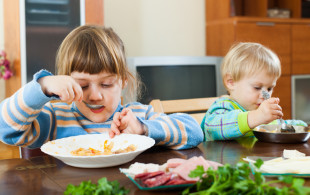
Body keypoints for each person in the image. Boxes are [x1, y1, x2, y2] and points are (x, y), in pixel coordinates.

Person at [0, 25, 203, 150]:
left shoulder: (137, 115)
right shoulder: (55, 118)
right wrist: (41, 86)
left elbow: (195, 132)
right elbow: (6, 129)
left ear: (123, 81)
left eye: (106, 84)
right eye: (82, 85)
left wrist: (143, 129)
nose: (95, 96)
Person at [201, 42, 307, 141]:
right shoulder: (223, 106)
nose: (265, 95)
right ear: (231, 82)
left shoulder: (262, 112)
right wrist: (256, 117)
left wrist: (301, 126)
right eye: (257, 87)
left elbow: (278, 125)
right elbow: (213, 128)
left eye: (269, 88)